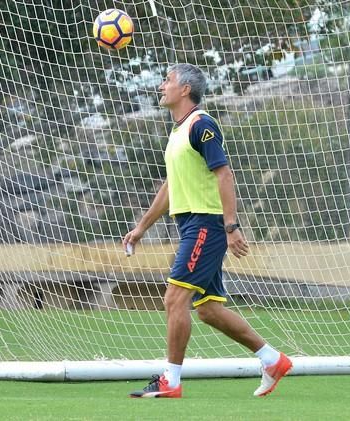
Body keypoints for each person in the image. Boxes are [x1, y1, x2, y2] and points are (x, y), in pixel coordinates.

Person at [123, 63, 292, 398]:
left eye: (167, 81)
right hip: (190, 224)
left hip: (206, 224)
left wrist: (231, 226)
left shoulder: (202, 125)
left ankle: (170, 381)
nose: (161, 86)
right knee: (209, 309)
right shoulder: (177, 132)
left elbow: (224, 174)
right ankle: (272, 360)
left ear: (185, 89)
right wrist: (141, 226)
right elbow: (171, 186)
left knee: (175, 298)